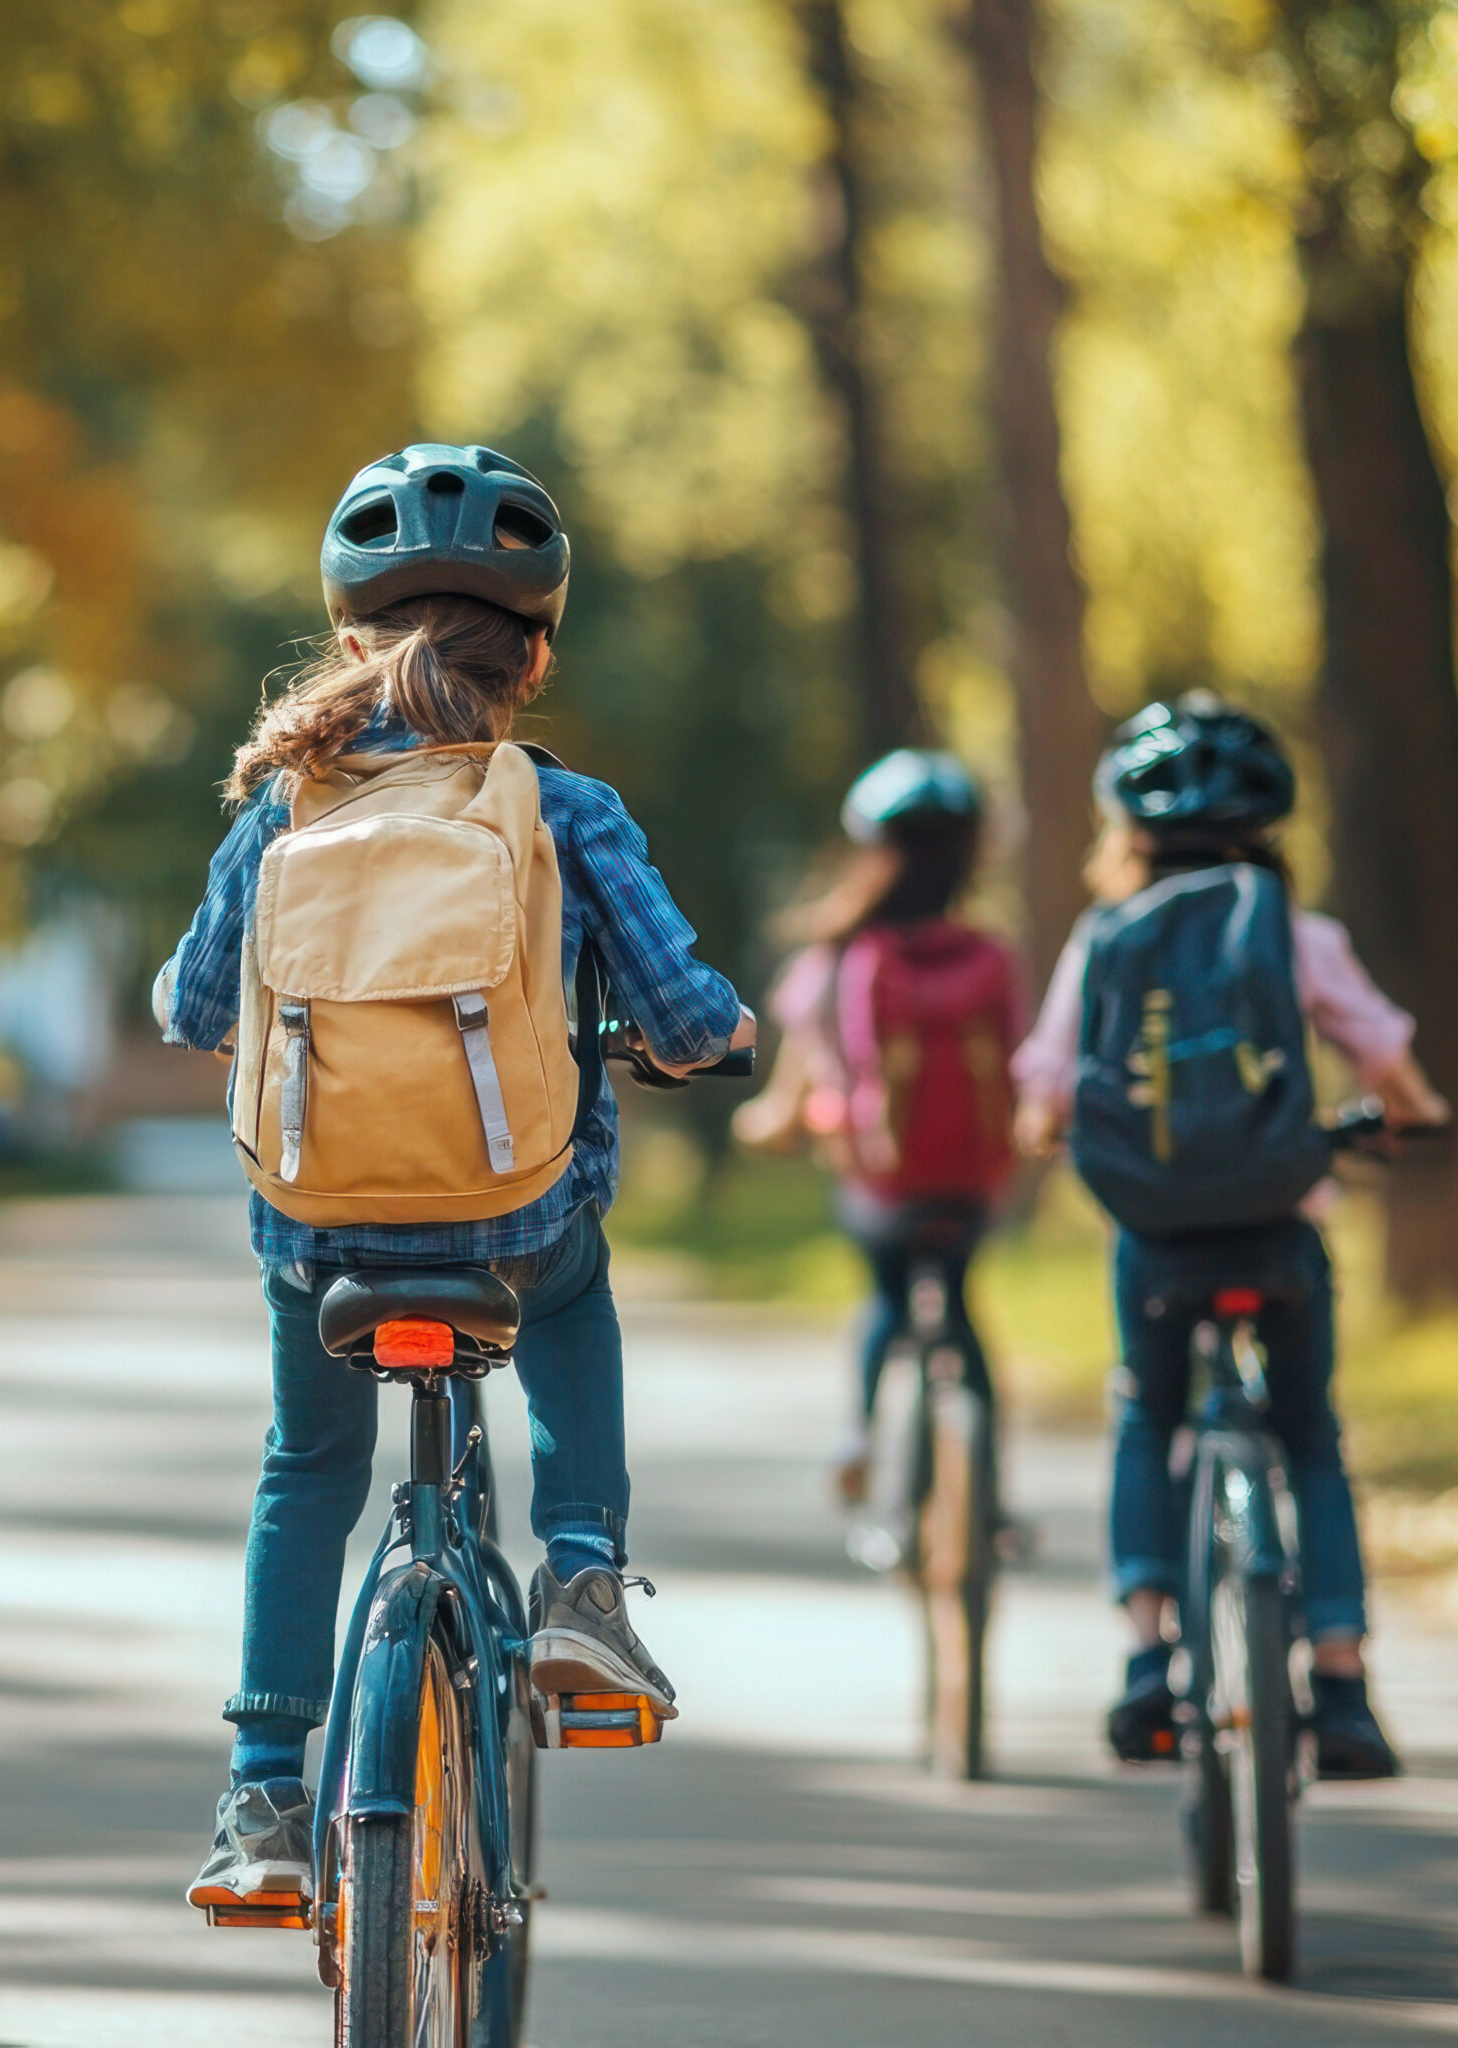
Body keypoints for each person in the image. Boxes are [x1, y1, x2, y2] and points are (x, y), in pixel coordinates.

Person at [157, 443, 752, 1912]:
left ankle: (262, 1802)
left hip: (318, 1236)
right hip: (515, 1215)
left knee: (307, 1469)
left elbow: (187, 1009)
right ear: (537, 651)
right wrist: (721, 1038)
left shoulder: (280, 810)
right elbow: (682, 1018)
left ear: (350, 639)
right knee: (573, 1293)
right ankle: (586, 1584)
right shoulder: (566, 808)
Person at [1014, 693, 1445, 1779]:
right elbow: (1382, 1059)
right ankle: (1340, 1679)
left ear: (1125, 834)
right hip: (1276, 1230)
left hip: (1155, 1238)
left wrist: (1044, 1130)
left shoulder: (1102, 934)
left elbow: (1043, 1087)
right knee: (1308, 1437)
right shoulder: (1292, 930)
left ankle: (1146, 1662)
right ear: (1268, 830)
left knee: (1142, 1416)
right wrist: (1406, 1110)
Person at [734, 750, 1021, 1502]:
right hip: (971, 1176)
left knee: (889, 1298)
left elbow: (793, 1087)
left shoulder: (841, 955)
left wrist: (771, 1123)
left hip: (883, 1180)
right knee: (958, 1302)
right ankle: (993, 1496)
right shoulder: (993, 956)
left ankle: (857, 1433)